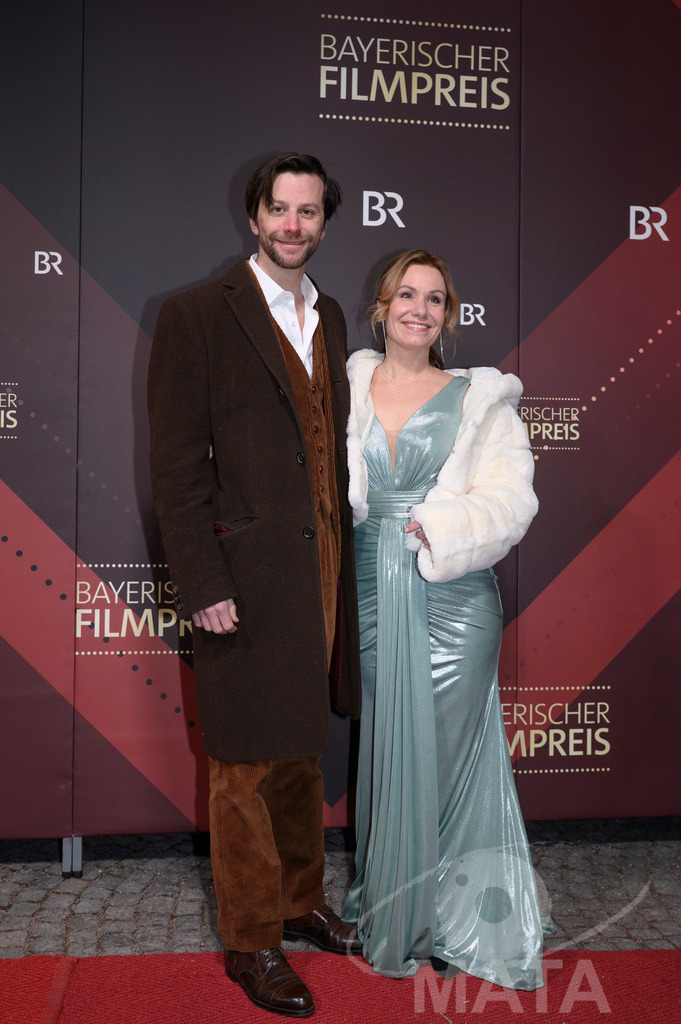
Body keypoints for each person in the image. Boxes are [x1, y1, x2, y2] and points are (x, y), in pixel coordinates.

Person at [148, 153, 362, 1018]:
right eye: (279, 209)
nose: (292, 225)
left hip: (321, 571)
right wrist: (200, 580)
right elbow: (175, 469)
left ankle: (300, 901)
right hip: (238, 574)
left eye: (307, 212)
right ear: (254, 216)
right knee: (241, 767)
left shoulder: (331, 315)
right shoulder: (196, 314)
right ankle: (250, 941)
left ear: (324, 223)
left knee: (301, 752)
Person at [343, 249, 548, 988]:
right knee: (390, 747)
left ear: (448, 316)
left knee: (454, 761)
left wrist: (439, 528)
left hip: (454, 598)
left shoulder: (478, 399)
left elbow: (510, 499)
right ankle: (398, 905)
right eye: (406, 294)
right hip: (371, 592)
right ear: (381, 307)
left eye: (434, 299)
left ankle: (457, 917)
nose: (419, 309)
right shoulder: (347, 388)